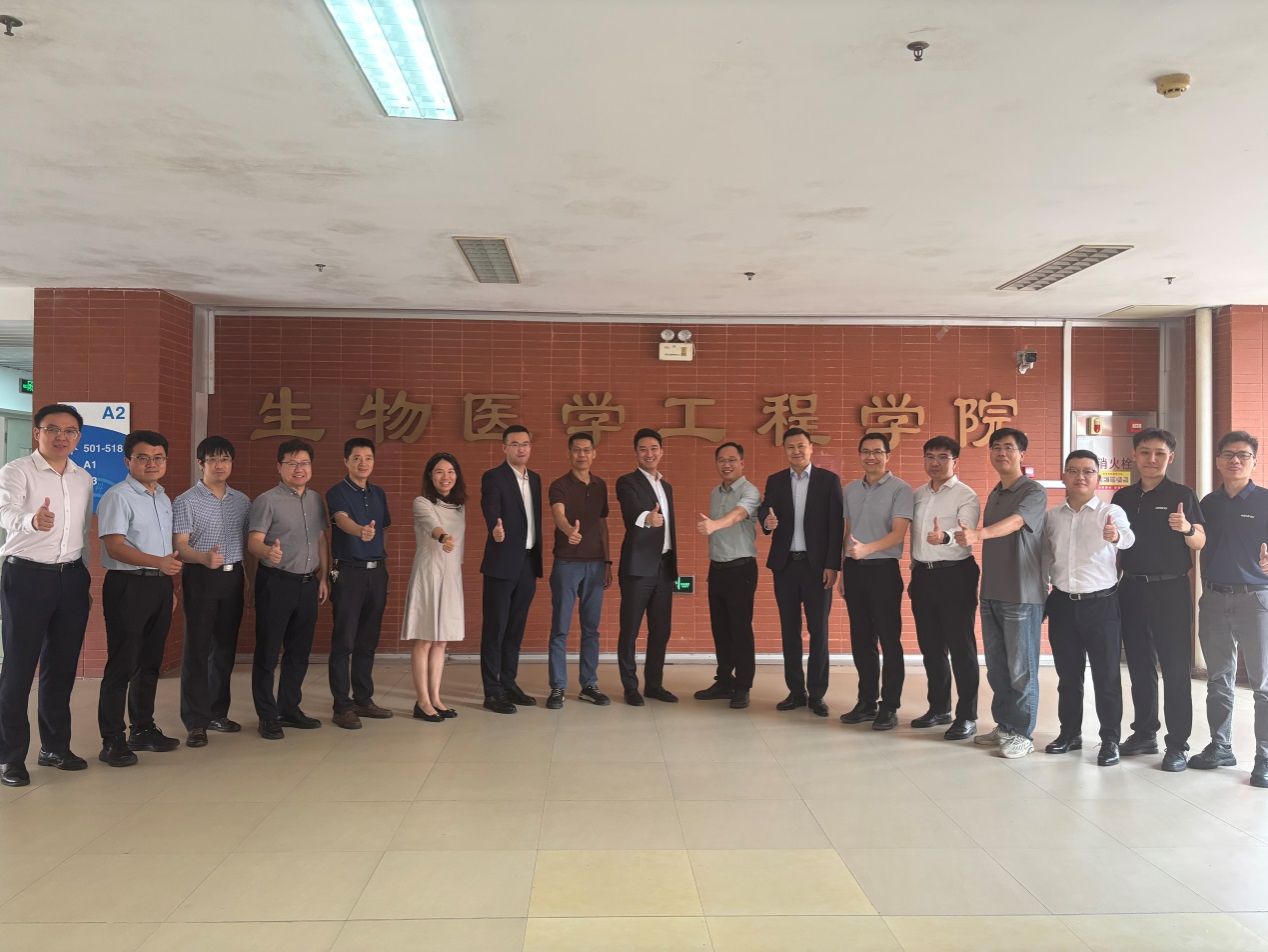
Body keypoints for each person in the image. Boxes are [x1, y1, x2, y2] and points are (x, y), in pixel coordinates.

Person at [0, 404, 94, 787]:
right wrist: (31, 521)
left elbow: (82, 531)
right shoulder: (17, 470)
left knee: (61, 666)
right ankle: (9, 757)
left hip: (71, 577)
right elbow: (4, 511)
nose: (61, 437)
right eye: (52, 429)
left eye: (70, 431)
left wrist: (82, 579)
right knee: (19, 667)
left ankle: (54, 747)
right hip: (26, 575)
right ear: (37, 432)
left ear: (78, 437)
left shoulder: (82, 478)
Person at [1111, 427, 1205, 771]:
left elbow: (1200, 541)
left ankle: (1177, 744)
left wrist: (1187, 528)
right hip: (1131, 588)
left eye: (1160, 453)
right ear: (1134, 455)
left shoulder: (1182, 494)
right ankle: (1144, 732)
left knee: (1176, 668)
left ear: (1170, 457)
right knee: (1138, 665)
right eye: (1145, 452)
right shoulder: (1122, 497)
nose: (1152, 459)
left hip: (1170, 590)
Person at [955, 427, 1047, 759]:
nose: (1001, 452)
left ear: (1022, 454)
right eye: (995, 447)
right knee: (997, 668)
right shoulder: (995, 492)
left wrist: (978, 534)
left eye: (1008, 447)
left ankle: (1022, 733)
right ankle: (1005, 725)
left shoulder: (1033, 491)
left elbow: (1017, 522)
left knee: (1022, 670)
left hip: (1022, 593)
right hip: (992, 591)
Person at [1042, 450, 1135, 766]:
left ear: (1098, 477)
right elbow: (1046, 557)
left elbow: (1129, 539)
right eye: (1073, 471)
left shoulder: (1110, 511)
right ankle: (1069, 734)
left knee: (1106, 677)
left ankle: (1110, 740)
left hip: (1101, 605)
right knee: (1068, 676)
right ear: (1063, 476)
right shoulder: (1052, 517)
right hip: (1062, 604)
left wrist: (1116, 535)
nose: (1080, 477)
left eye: (1088, 471)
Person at [97, 429, 183, 766]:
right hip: (127, 586)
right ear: (127, 461)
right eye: (143, 457)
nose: (151, 463)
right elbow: (115, 546)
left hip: (158, 586)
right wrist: (158, 564)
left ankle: (143, 729)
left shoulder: (162, 497)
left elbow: (162, 549)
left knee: (149, 663)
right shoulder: (118, 496)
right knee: (123, 664)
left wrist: (168, 585)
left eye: (158, 457)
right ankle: (112, 740)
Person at [1190, 431, 1268, 788]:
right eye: (1228, 454)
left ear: (1254, 461)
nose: (1235, 460)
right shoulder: (1208, 503)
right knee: (1218, 679)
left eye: (1243, 455)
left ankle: (1264, 757)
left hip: (1257, 600)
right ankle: (1220, 746)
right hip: (1214, 599)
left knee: (1262, 683)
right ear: (1219, 461)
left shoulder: (1265, 500)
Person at [758, 427, 843, 717]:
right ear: (785, 450)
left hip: (817, 567)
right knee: (789, 630)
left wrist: (833, 565)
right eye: (790, 447)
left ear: (811, 448)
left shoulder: (828, 481)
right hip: (785, 566)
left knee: (819, 630)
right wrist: (766, 521)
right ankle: (796, 692)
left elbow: (835, 525)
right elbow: (765, 510)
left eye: (801, 446)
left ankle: (817, 694)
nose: (796, 451)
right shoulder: (776, 480)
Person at [247, 439, 329, 740]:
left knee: (299, 652)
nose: (299, 469)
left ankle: (289, 708)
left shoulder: (316, 500)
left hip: (308, 584)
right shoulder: (267, 501)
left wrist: (323, 576)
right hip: (276, 583)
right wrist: (268, 552)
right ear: (279, 467)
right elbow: (253, 541)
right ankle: (267, 716)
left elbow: (320, 539)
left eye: (304, 463)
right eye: (292, 463)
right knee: (268, 652)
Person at [173, 435, 250, 748]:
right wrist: (203, 557)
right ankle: (196, 721)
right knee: (198, 649)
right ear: (200, 463)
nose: (220, 465)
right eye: (213, 460)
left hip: (234, 577)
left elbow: (245, 543)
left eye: (225, 459)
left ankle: (218, 713)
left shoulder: (242, 501)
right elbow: (180, 545)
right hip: (201, 577)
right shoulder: (186, 501)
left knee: (224, 649)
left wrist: (247, 579)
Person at [909, 435, 982, 740]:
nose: (935, 463)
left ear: (955, 461)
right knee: (931, 647)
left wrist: (945, 537)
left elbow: (965, 531)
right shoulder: (917, 495)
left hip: (955, 575)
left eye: (943, 457)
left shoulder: (966, 495)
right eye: (930, 456)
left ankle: (967, 716)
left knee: (961, 647)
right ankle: (939, 708)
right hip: (923, 576)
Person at [839, 432, 913, 730]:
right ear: (860, 455)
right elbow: (846, 532)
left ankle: (890, 706)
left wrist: (866, 550)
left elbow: (898, 533)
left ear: (887, 456)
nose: (871, 457)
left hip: (883, 570)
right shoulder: (850, 490)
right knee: (861, 639)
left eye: (877, 452)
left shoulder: (901, 489)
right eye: (866, 451)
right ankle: (866, 701)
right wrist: (843, 570)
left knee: (889, 640)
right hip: (854, 570)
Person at [325, 437, 393, 730]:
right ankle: (342, 706)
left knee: (367, 640)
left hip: (376, 572)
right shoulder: (337, 492)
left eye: (368, 458)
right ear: (346, 461)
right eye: (356, 458)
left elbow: (384, 529)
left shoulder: (379, 493)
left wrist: (380, 559)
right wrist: (360, 531)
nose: (363, 463)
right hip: (348, 572)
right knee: (344, 641)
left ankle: (363, 699)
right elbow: (341, 520)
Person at [479, 424, 543, 714]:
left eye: (525, 443)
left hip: (528, 563)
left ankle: (508, 683)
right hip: (502, 563)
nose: (521, 448)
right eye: (515, 444)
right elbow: (490, 507)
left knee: (516, 628)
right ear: (504, 447)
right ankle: (492, 692)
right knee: (495, 629)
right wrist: (495, 528)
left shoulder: (536, 479)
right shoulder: (494, 477)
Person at [546, 432, 612, 709]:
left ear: (594, 453)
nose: (581, 455)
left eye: (586, 450)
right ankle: (558, 687)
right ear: (569, 453)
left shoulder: (600, 485)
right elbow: (558, 514)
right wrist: (568, 531)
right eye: (576, 450)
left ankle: (589, 685)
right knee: (560, 628)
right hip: (567, 564)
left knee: (591, 629)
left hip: (596, 564)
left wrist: (607, 561)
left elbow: (602, 524)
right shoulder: (559, 485)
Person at [694, 441, 761, 709]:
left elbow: (738, 515)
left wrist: (714, 525)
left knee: (740, 630)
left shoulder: (750, 491)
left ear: (742, 463)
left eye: (732, 460)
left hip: (741, 568)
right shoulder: (715, 492)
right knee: (720, 629)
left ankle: (743, 686)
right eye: (722, 460)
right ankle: (724, 681)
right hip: (717, 568)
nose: (727, 464)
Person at [616, 428, 679, 705]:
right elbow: (631, 511)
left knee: (661, 630)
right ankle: (630, 687)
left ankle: (654, 684)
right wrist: (646, 519)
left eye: (654, 448)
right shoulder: (626, 482)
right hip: (638, 568)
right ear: (636, 453)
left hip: (664, 567)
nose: (649, 453)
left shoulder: (667, 487)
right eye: (643, 449)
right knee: (630, 629)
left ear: (661, 451)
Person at [402, 452, 466, 722]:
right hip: (428, 574)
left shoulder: (460, 507)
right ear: (430, 476)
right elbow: (433, 526)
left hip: (451, 577)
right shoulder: (422, 502)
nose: (445, 477)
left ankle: (436, 698)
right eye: (439, 471)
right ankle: (422, 701)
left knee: (441, 641)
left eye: (450, 471)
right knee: (425, 638)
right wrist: (444, 538)